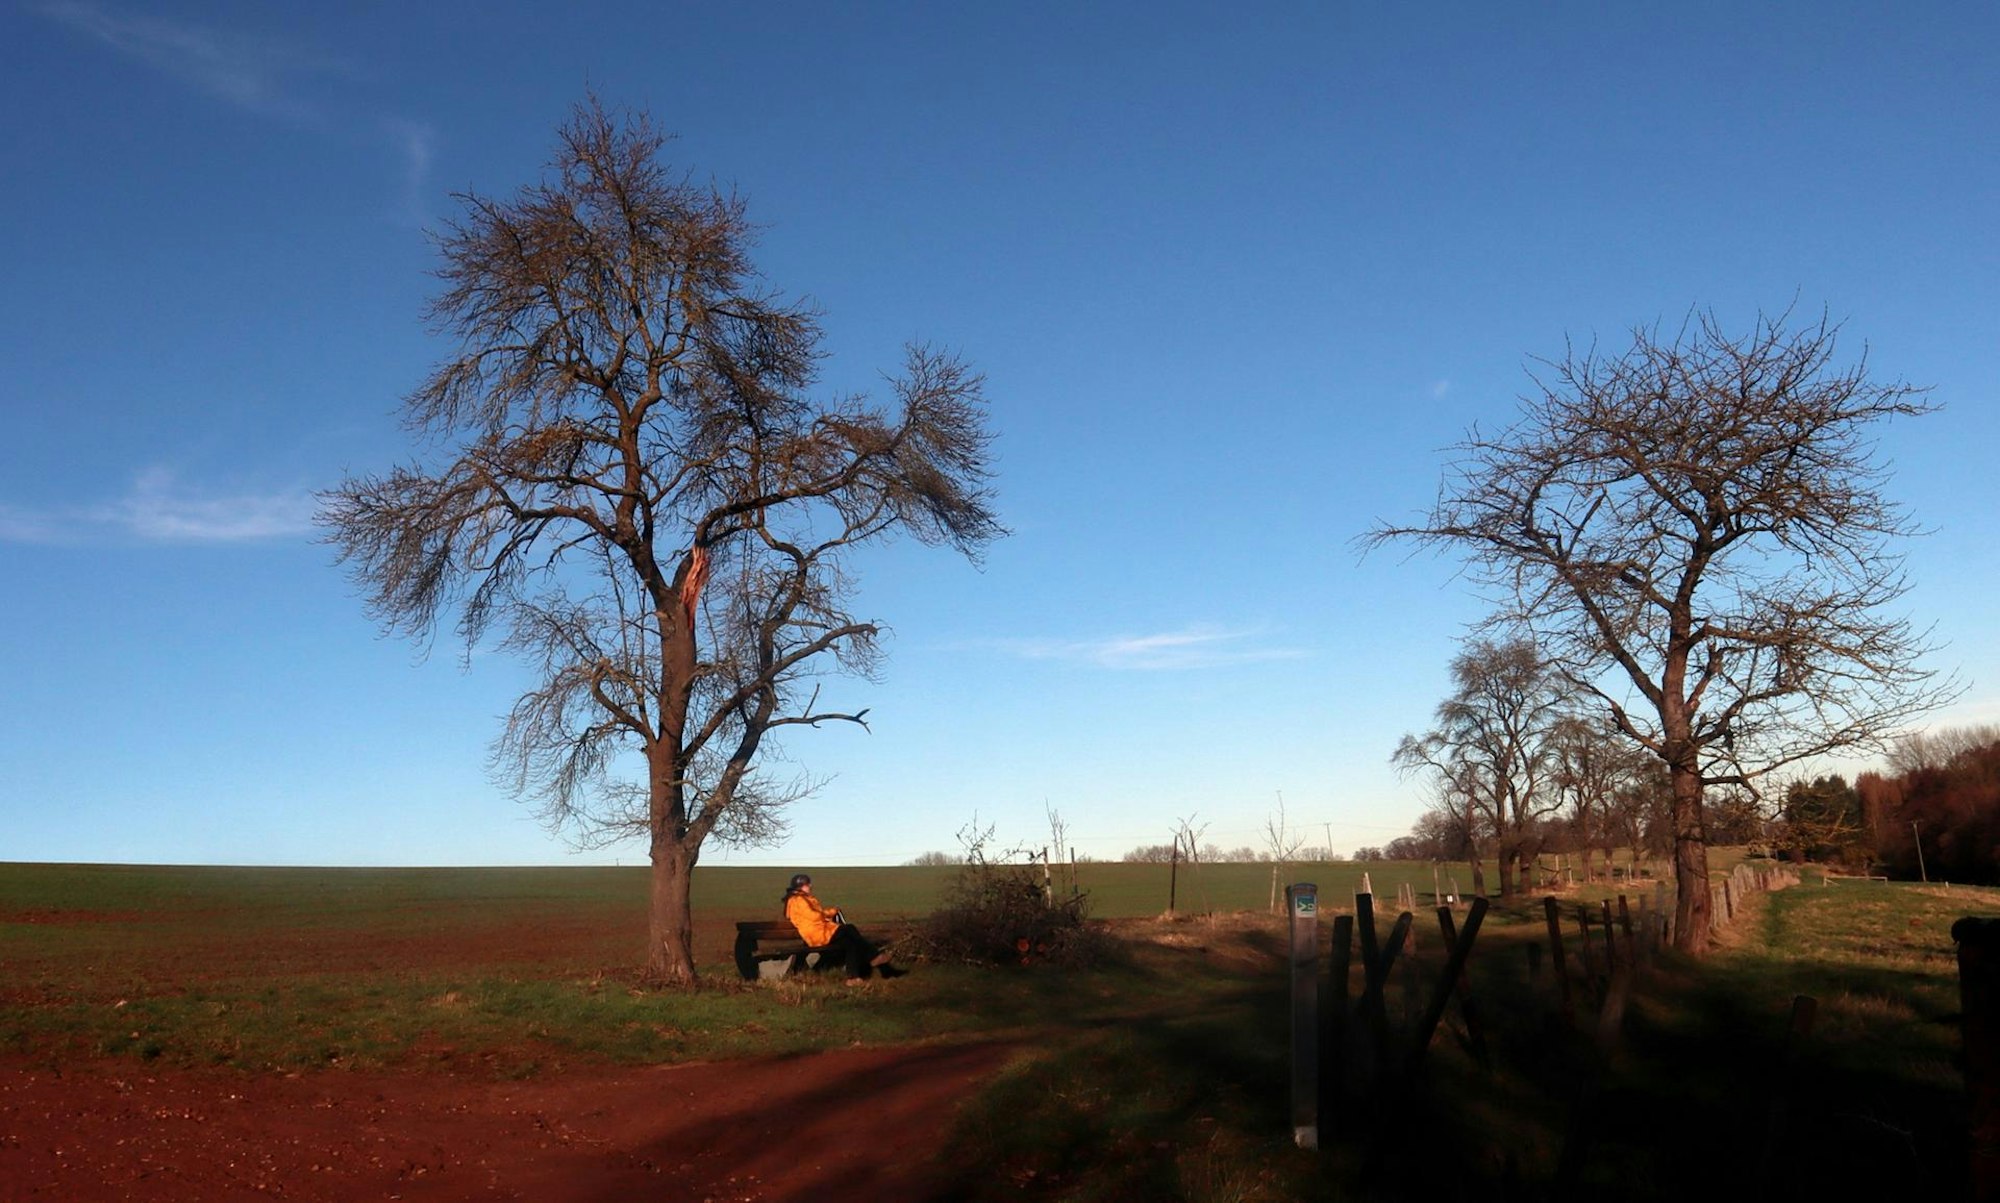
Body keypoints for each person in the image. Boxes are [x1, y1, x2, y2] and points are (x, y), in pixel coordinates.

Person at [781, 873, 904, 984]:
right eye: (808, 884)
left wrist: (827, 914)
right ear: (800, 886)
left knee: (850, 943)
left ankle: (855, 977)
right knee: (849, 928)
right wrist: (831, 912)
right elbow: (814, 916)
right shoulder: (797, 900)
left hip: (821, 931)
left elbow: (816, 916)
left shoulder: (803, 899)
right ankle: (875, 957)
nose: (810, 886)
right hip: (817, 934)